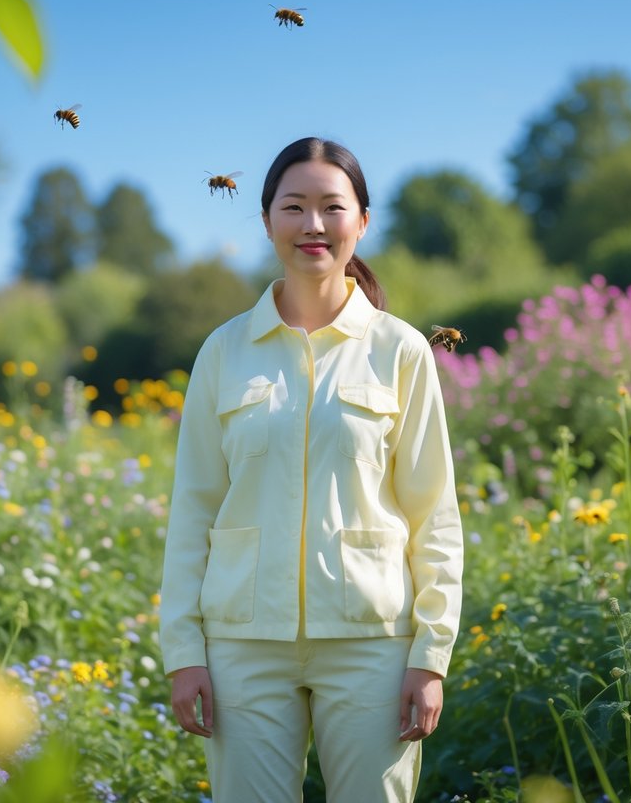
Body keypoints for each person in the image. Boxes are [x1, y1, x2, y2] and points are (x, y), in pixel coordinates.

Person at [160, 136, 464, 803]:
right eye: (293, 207)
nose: (313, 225)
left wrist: (429, 656)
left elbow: (432, 513)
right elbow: (193, 510)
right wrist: (184, 651)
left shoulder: (400, 350)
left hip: (372, 645)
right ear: (266, 219)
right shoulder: (224, 351)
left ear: (362, 220)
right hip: (242, 645)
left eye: (332, 207)